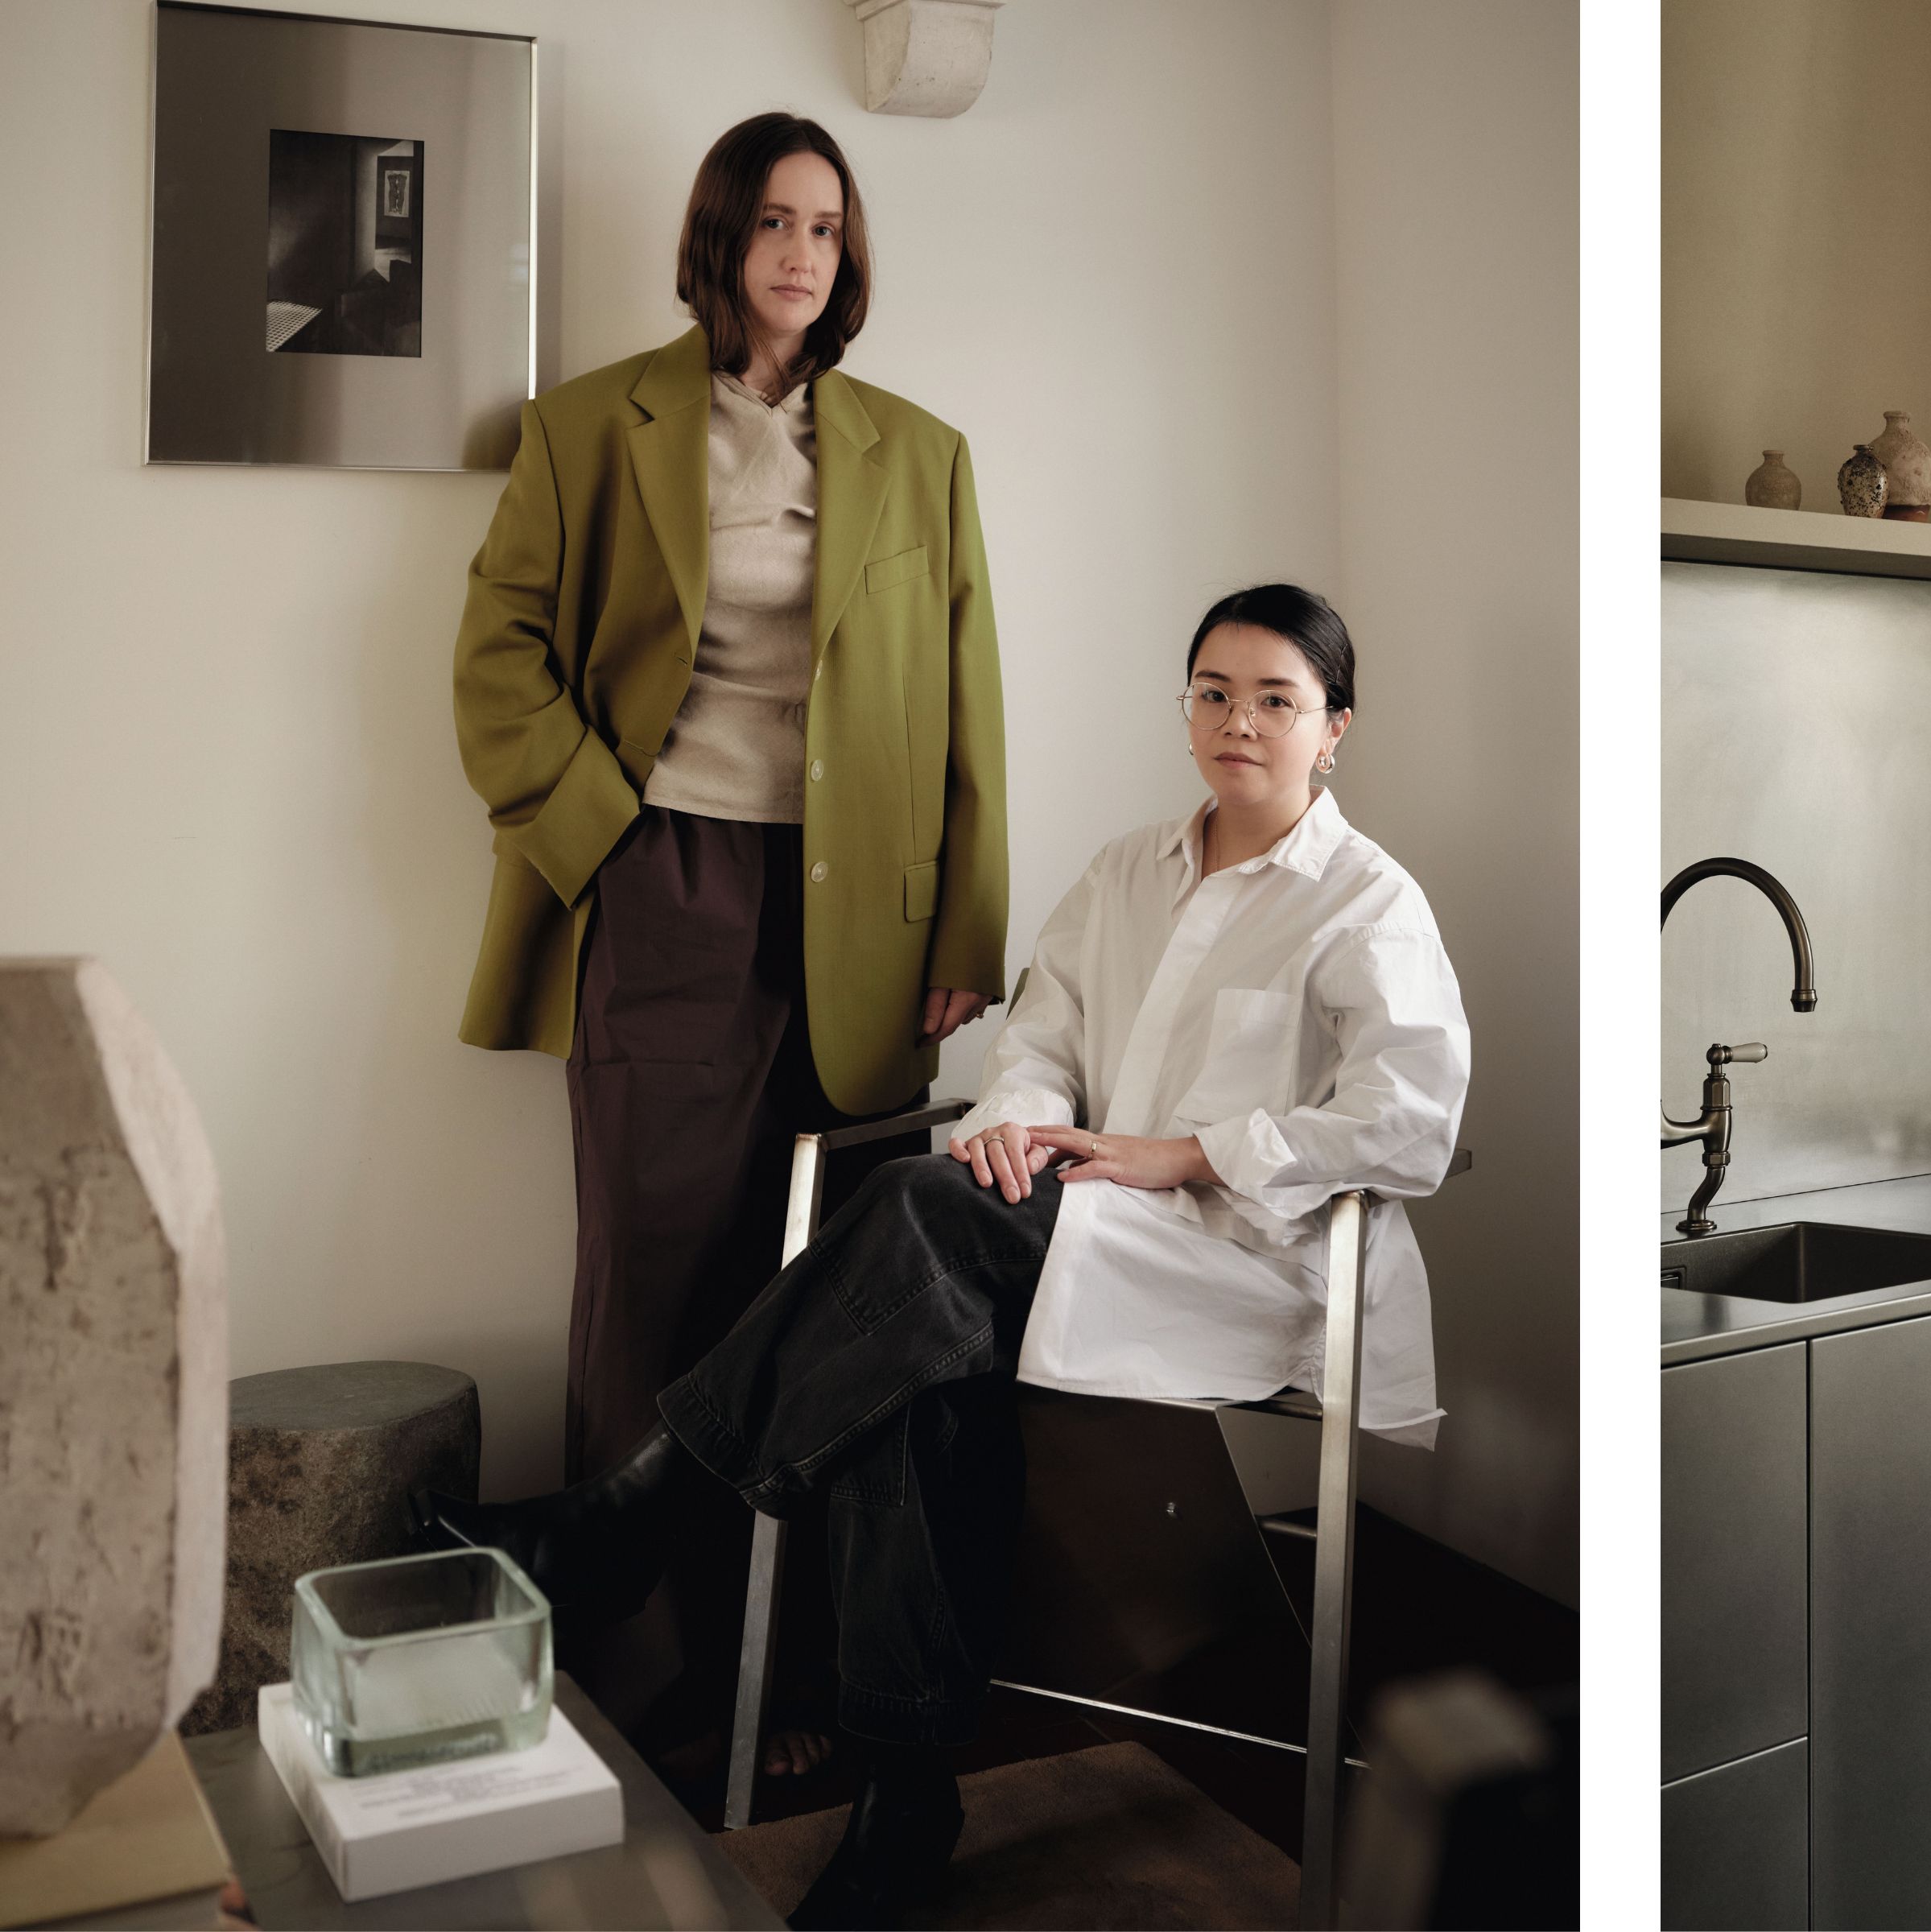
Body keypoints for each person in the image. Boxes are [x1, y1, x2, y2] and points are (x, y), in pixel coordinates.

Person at [427, 584, 1471, 1926]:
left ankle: (640, 1522)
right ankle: (897, 1802)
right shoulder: (1125, 873)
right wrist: (1019, 1130)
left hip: (1250, 1260)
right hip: (1060, 1228)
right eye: (1213, 691)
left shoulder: (1366, 901)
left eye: (1277, 699)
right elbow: (1037, 1045)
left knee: (920, 1225)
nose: (1239, 722)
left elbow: (1410, 1120)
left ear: (1335, 730)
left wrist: (1187, 1154)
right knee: (914, 1347)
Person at [445, 111, 1006, 1773]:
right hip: (668, 889)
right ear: (718, 238)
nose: (798, 253)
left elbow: (969, 700)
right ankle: (641, 1698)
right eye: (770, 221)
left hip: (867, 924)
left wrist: (964, 920)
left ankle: (822, 1686)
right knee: (655, 1297)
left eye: (826, 228)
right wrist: (606, 839)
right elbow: (497, 660)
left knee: (841, 1298)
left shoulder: (923, 452)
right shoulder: (588, 428)